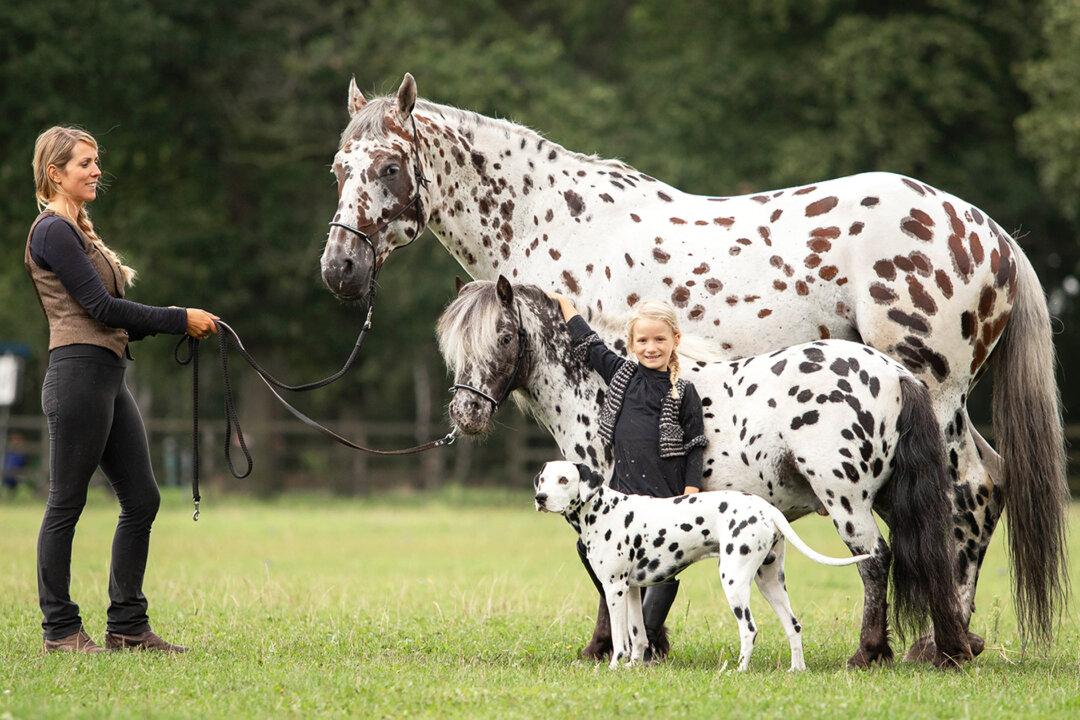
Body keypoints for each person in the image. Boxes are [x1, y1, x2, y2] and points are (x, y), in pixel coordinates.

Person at [26, 126, 219, 654]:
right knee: (66, 503)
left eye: (96, 162)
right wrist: (178, 318)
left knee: (142, 498)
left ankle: (128, 626)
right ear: (55, 173)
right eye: (84, 163)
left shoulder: (78, 232)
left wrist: (178, 323)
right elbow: (100, 309)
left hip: (106, 376)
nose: (96, 171)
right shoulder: (52, 231)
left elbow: (111, 319)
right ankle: (60, 630)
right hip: (78, 378)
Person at [548, 292, 706, 662]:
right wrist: (564, 304)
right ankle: (619, 604)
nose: (651, 348)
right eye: (643, 340)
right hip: (623, 494)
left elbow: (695, 444)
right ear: (631, 344)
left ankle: (649, 639)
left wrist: (691, 490)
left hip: (665, 496)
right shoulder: (622, 375)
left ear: (675, 340)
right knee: (588, 548)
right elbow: (589, 344)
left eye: (659, 339)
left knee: (664, 567)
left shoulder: (683, 391)